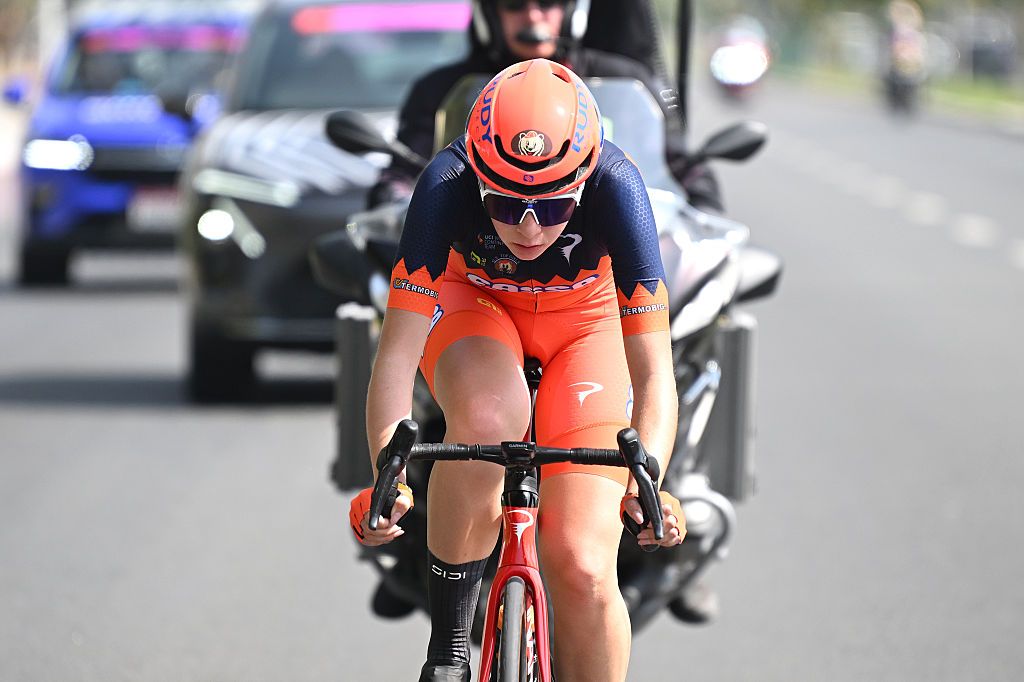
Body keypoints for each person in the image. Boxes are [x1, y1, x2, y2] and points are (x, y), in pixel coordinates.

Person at [349, 59, 686, 682]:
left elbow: (654, 373)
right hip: (475, 302)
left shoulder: (618, 185)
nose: (528, 228)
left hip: (584, 323)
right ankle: (450, 646)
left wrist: (652, 481)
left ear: (584, 180)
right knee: (487, 416)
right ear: (478, 177)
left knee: (582, 564)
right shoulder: (446, 182)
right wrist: (386, 477)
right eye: (504, 204)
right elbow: (395, 354)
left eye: (554, 208)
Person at [369, 0, 723, 212]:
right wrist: (397, 205)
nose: (533, 15)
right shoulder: (440, 91)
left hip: (602, 260)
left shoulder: (628, 82)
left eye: (548, 2)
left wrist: (704, 212)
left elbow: (680, 168)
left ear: (570, 11)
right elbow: (403, 174)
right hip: (476, 265)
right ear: (490, 13)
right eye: (514, 4)